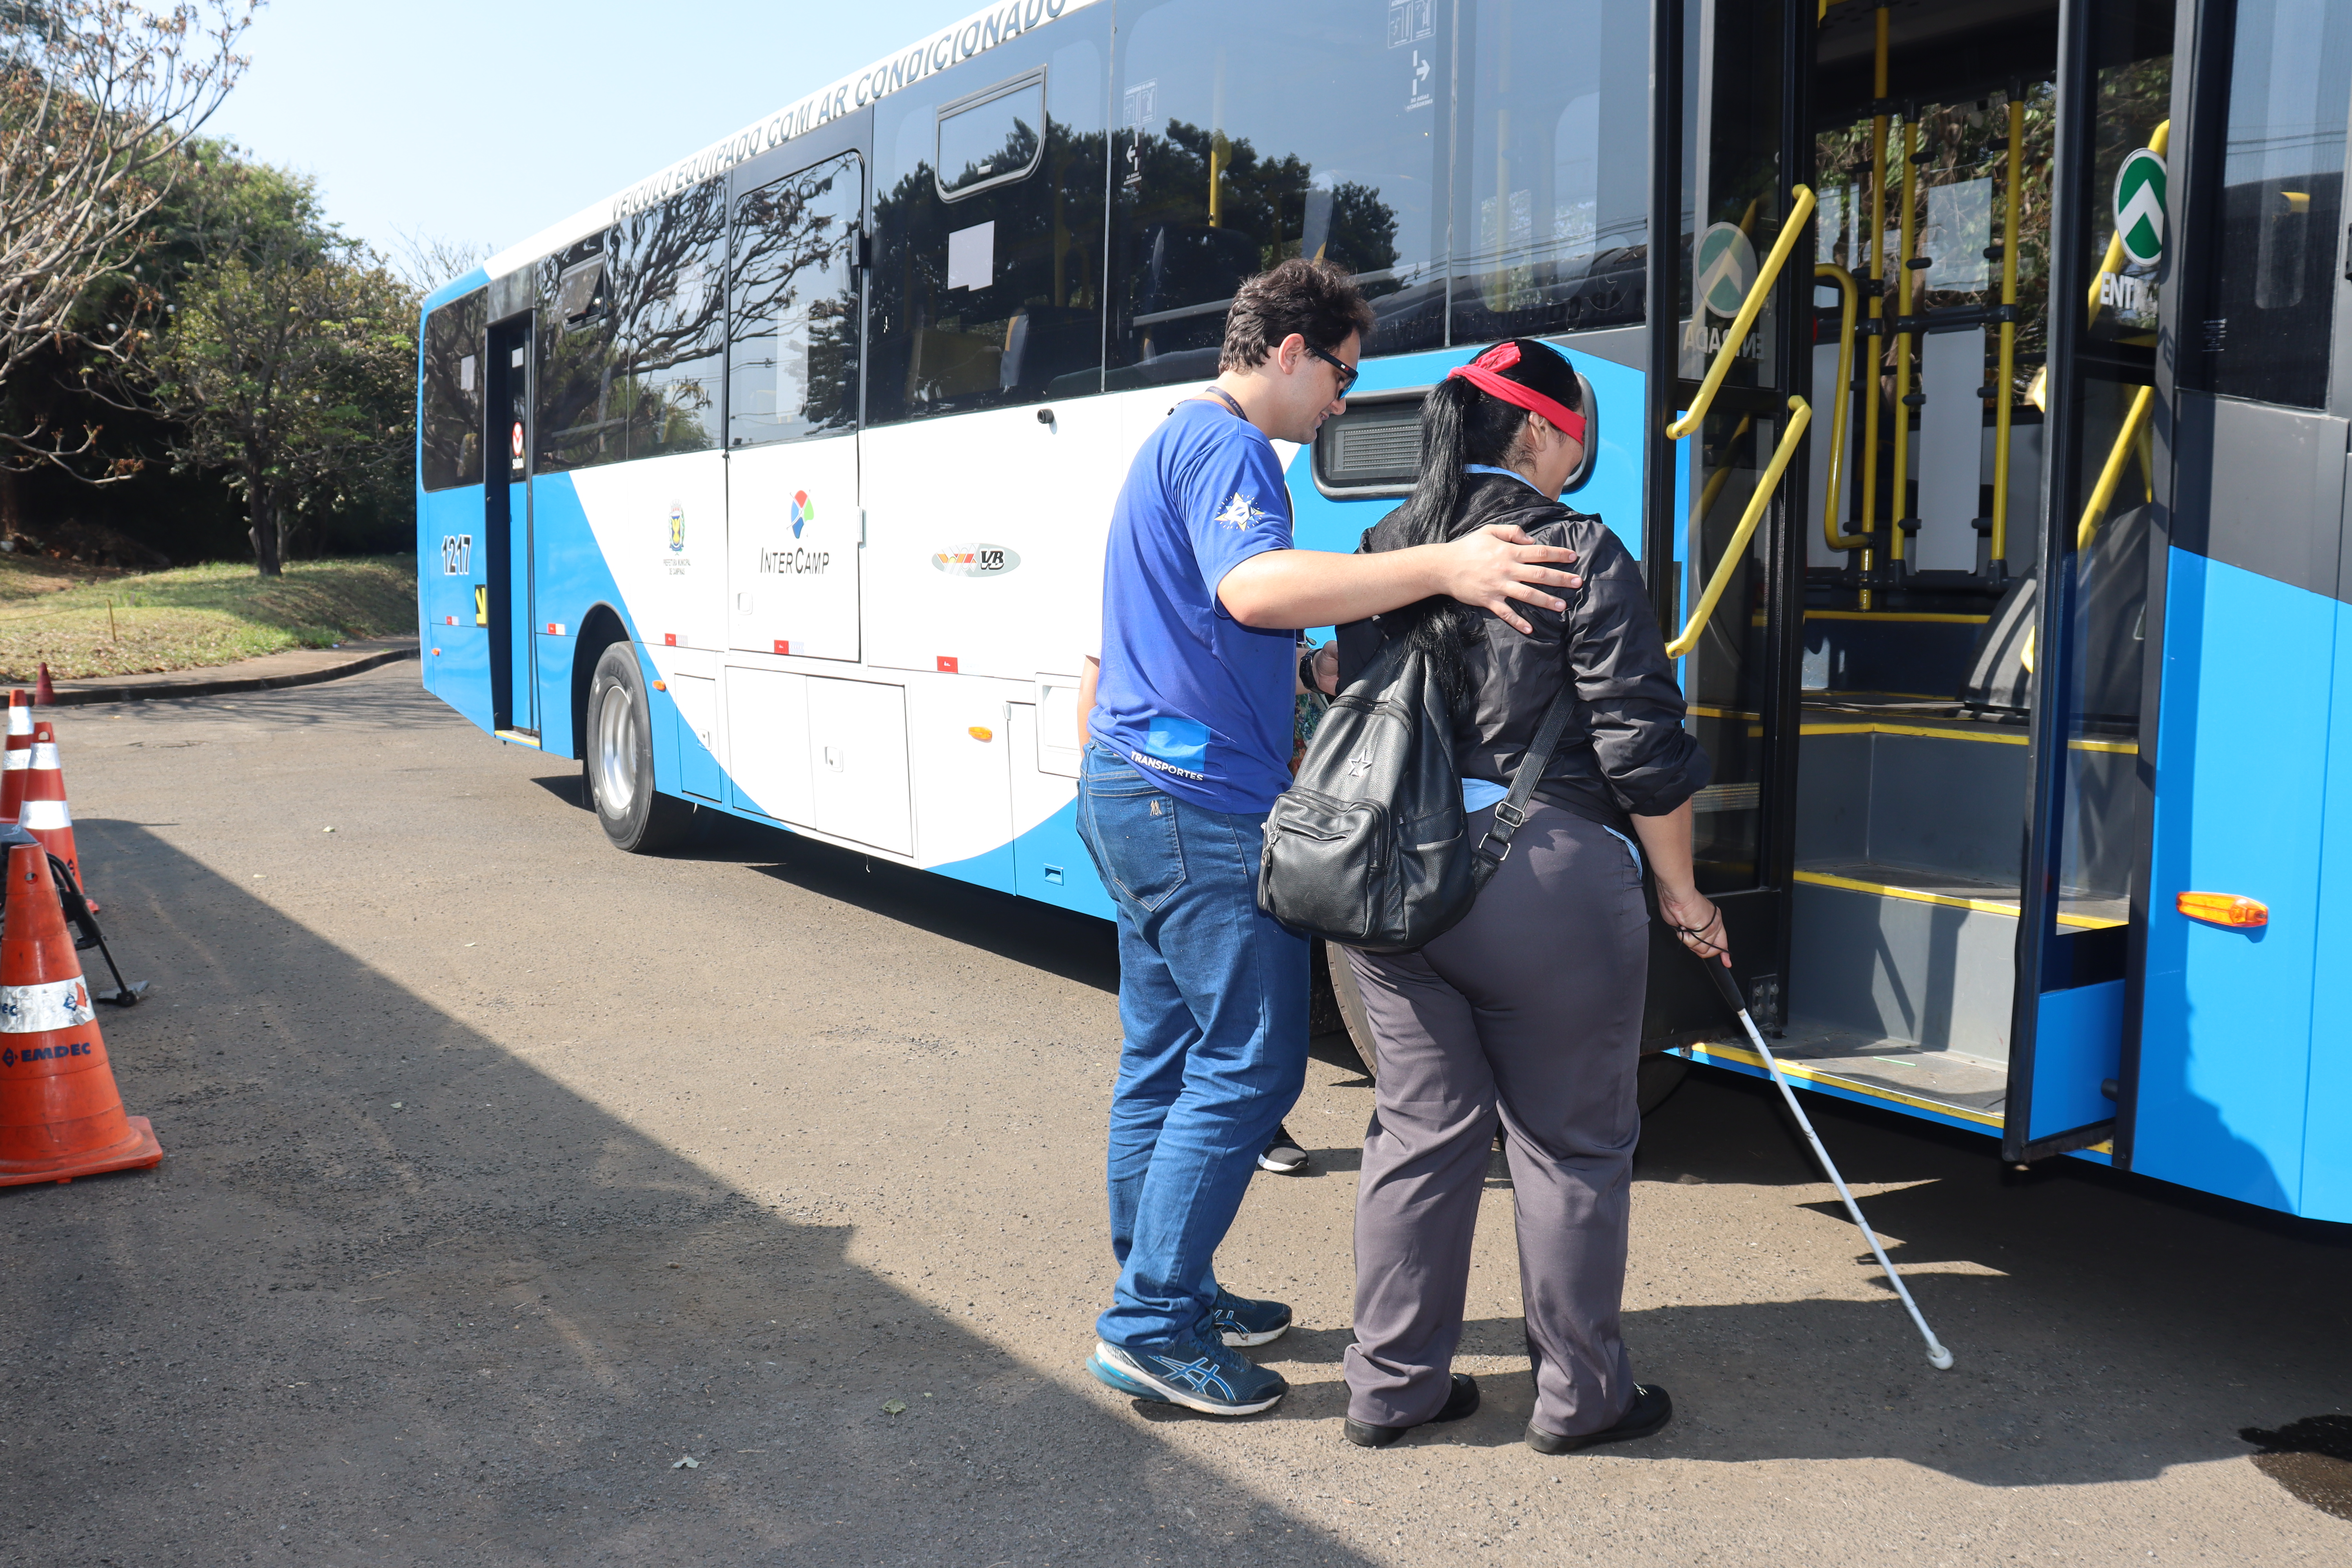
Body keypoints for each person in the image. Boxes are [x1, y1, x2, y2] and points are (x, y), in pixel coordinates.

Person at [1073, 262, 1586, 1417]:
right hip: (1192, 809)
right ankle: (1152, 1321)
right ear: (1292, 351)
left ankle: (1167, 1285)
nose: (1343, 405)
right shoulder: (1230, 448)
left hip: (1130, 787)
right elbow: (1253, 588)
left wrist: (1302, 672)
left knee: (1161, 1061)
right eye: (1343, 374)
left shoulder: (1171, 441)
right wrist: (1447, 565)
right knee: (1251, 1064)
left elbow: (1213, 620)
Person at [1330, 339, 1724, 1453]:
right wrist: (1684, 895)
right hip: (1543, 878)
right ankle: (1581, 1399)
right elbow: (1641, 746)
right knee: (1569, 1144)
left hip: (1393, 876)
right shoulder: (1578, 548)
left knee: (1418, 1134)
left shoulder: (1386, 544)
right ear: (1543, 433)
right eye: (1577, 434)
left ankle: (1391, 1387)